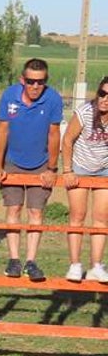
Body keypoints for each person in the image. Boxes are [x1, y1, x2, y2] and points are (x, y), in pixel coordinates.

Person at [0, 58, 63, 281]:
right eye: (30, 81)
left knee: (35, 212)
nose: (35, 86)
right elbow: (2, 130)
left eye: (40, 82)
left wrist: (52, 168)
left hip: (40, 162)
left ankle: (31, 261)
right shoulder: (10, 96)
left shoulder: (53, 99)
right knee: (13, 208)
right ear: (23, 80)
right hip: (12, 159)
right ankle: (13, 259)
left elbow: (54, 134)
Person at [60, 74, 108, 283]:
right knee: (77, 216)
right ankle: (75, 265)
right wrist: (68, 170)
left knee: (101, 219)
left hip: (104, 169)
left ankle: (96, 265)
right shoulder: (85, 112)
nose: (105, 98)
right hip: (80, 167)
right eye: (102, 93)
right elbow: (68, 140)